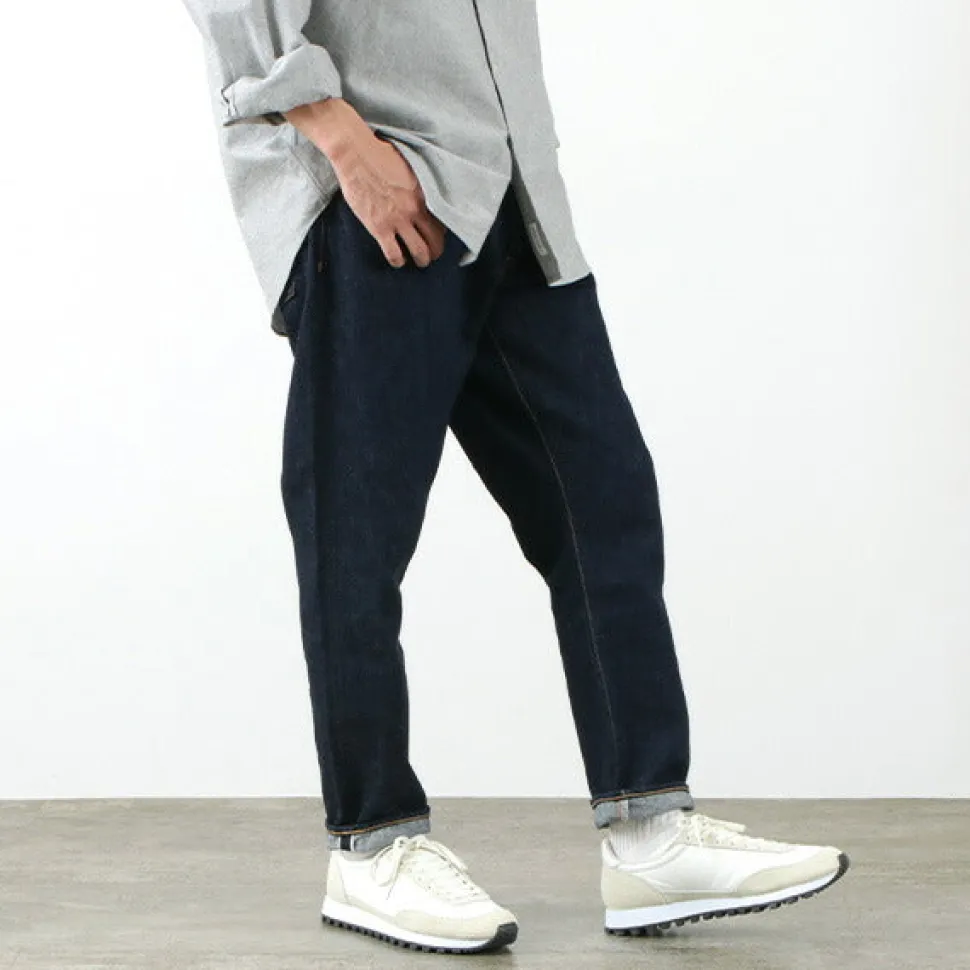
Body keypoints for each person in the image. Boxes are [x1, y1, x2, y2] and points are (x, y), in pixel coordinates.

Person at [180, 0, 850, 954]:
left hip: (513, 191)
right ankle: (372, 845)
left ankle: (649, 830)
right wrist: (336, 135)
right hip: (376, 191)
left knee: (604, 504)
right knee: (356, 539)